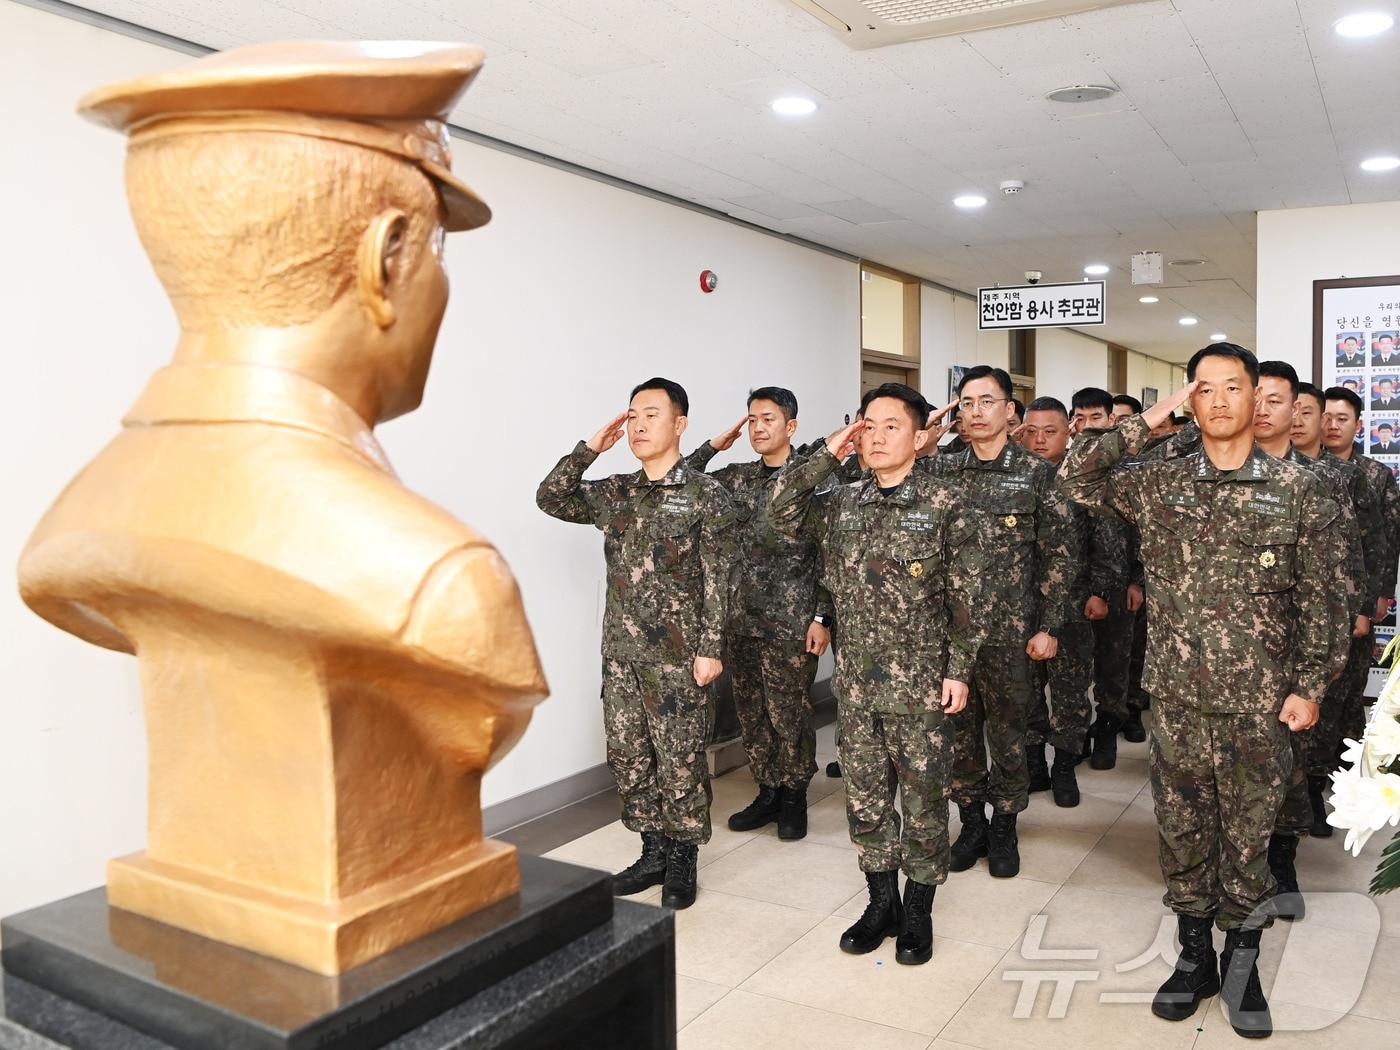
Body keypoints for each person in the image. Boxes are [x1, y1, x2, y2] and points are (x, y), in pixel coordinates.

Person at [1060, 343, 1349, 1039]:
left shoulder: (1302, 490)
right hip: (1179, 700)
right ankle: (1194, 960)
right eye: (1204, 389)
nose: (1219, 401)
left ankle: (1242, 964)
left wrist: (1310, 686)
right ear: (1191, 400)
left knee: (1248, 842)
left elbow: (1326, 601)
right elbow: (1075, 475)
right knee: (1184, 834)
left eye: (1233, 387)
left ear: (1257, 399)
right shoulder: (1161, 482)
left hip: (1261, 704)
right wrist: (1147, 422)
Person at [769, 383, 983, 965]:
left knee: (922, 800)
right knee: (864, 801)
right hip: (859, 687)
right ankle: (879, 901)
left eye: (892, 425)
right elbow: (779, 507)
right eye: (869, 424)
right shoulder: (841, 502)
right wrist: (828, 451)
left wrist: (959, 669)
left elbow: (969, 597)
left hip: (922, 686)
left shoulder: (947, 504)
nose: (878, 435)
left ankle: (918, 909)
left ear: (919, 437)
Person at [536, 378, 738, 909]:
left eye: (651, 414)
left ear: (681, 424)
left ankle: (683, 858)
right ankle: (651, 851)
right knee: (628, 757)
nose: (639, 425)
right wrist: (588, 451)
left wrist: (711, 647)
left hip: (679, 657)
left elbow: (720, 577)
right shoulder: (617, 491)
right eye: (632, 415)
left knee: (679, 760)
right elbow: (550, 497)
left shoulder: (706, 495)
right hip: (622, 653)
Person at [924, 366, 1074, 878]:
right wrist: (924, 443)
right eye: (966, 402)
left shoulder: (1037, 475)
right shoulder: (941, 472)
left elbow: (1059, 556)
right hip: (951, 634)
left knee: (1009, 734)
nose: (975, 411)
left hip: (1013, 632)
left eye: (987, 401)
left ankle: (1005, 824)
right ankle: (971, 823)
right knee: (958, 732)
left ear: (1011, 411)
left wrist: (1049, 625)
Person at [685, 387, 831, 840]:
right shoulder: (736, 479)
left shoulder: (812, 483)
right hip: (740, 620)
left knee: (789, 713)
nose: (758, 428)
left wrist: (823, 617)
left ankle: (793, 796)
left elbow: (831, 554)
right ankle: (767, 790)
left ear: (791, 426)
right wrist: (714, 446)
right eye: (751, 420)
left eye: (768, 419)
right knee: (752, 712)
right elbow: (683, 477)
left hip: (792, 623)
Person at [1253, 363, 1365, 921]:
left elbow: (1343, 572)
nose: (1268, 410)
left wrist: (1323, 664)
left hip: (1294, 656)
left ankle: (1283, 858)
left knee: (1290, 766)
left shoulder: (1322, 481)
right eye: (1259, 397)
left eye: (1283, 402)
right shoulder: (1216, 474)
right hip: (1233, 657)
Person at [1294, 382, 1388, 838]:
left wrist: (1367, 604)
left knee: (1337, 702)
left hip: (1342, 610)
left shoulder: (1355, 477)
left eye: (1333, 417)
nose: (1325, 424)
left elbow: (1372, 546)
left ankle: (1320, 780)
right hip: (1285, 617)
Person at [1021, 395, 1121, 806]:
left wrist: (1100, 591)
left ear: (1069, 432)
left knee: (1070, 693)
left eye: (1050, 431)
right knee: (1025, 693)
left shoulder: (1082, 477)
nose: (1040, 439)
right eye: (1032, 431)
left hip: (1073, 605)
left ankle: (1064, 767)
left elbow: (1107, 539)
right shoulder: (1015, 478)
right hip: (1021, 606)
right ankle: (1034, 768)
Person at [1068, 388, 1135, 770]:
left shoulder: (1129, 471)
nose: (1089, 426)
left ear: (1112, 421)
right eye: (1082, 418)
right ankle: (1075, 738)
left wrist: (1135, 582)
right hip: (1073, 587)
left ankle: (1108, 729)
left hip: (1117, 583)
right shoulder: (1066, 468)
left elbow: (1141, 535)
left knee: (1113, 664)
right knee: (1076, 668)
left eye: (1097, 418)